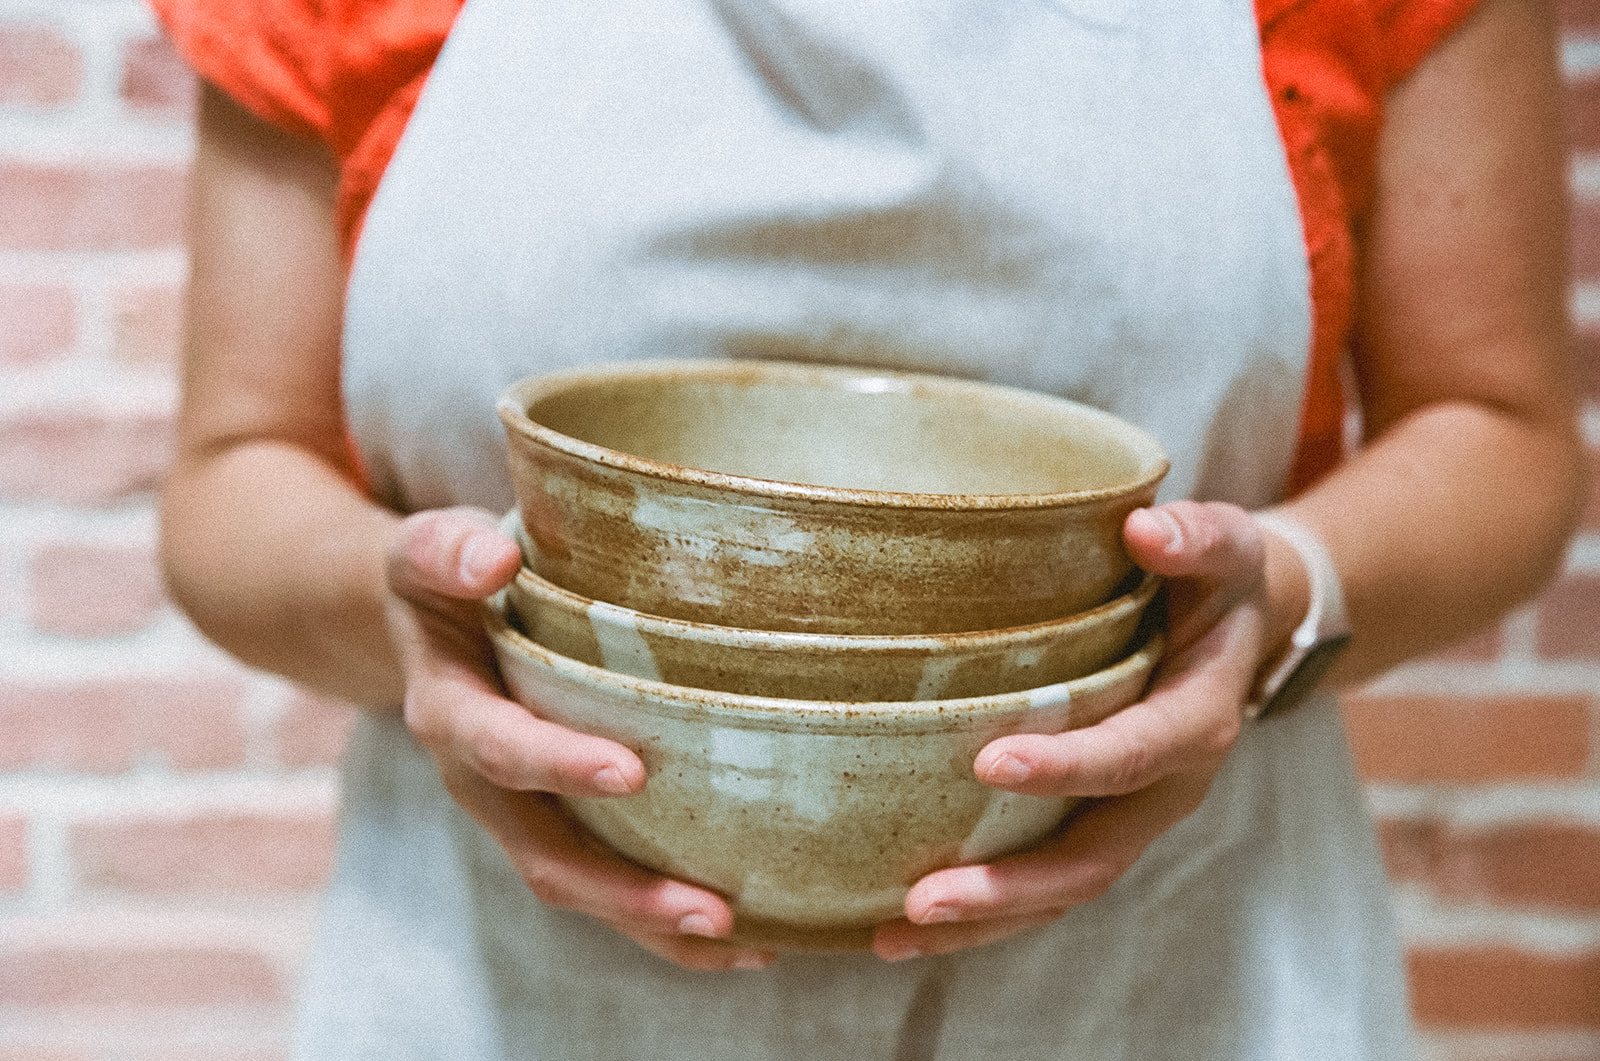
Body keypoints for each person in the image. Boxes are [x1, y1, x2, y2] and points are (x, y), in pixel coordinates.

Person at [153, 0, 1583, 1055]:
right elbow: (234, 471)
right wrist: (400, 612)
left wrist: (1285, 591)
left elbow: (1501, 430)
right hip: (498, 989)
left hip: (1179, 981)